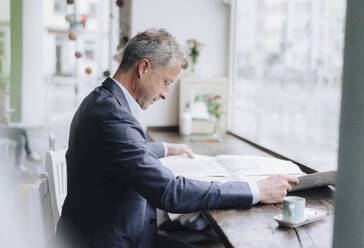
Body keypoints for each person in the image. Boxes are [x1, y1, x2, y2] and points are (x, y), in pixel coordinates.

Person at [56, 28, 298, 248]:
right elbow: (171, 192)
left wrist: (164, 148)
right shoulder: (112, 117)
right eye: (166, 82)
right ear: (143, 68)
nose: (165, 94)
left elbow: (118, 154)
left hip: (113, 232)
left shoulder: (103, 101)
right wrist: (255, 190)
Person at [0, 51, 41, 172]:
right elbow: (1, 112)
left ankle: (19, 164)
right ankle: (26, 156)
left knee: (21, 138)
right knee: (21, 131)